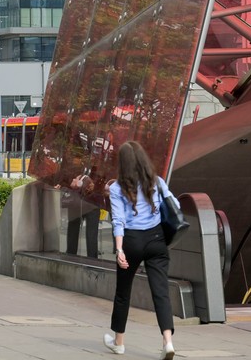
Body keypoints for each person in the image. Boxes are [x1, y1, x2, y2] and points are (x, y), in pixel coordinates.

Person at [104, 141, 176, 360]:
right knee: (161, 292)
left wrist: (119, 250)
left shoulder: (117, 188)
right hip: (157, 239)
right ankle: (168, 342)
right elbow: (176, 206)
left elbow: (118, 221)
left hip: (132, 241)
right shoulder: (157, 182)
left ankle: (119, 343)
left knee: (123, 292)